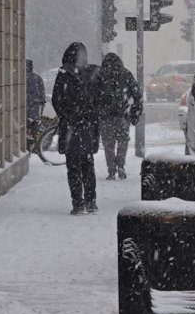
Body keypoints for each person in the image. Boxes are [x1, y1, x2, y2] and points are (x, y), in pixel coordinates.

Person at [50, 43, 99, 212]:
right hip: (87, 127)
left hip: (71, 128)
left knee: (73, 167)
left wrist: (67, 115)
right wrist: (90, 116)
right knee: (88, 165)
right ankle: (91, 201)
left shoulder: (64, 75)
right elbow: (97, 100)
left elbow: (57, 100)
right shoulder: (90, 74)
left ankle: (78, 203)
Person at [98, 50, 135, 179]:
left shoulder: (101, 75)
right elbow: (135, 93)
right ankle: (120, 165)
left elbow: (94, 96)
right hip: (122, 115)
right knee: (123, 141)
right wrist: (134, 112)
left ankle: (111, 169)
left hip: (105, 116)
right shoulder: (126, 74)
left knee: (108, 143)